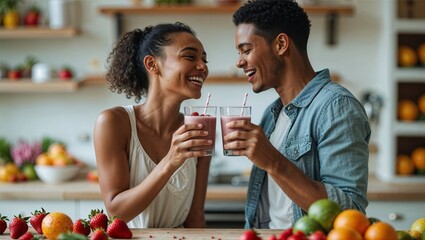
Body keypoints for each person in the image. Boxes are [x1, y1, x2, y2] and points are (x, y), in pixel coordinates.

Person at [225, 0, 371, 229]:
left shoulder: (336, 107)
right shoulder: (271, 114)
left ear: (281, 44)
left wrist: (272, 160)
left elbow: (349, 214)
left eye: (246, 50)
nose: (239, 62)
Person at [93, 22, 212, 228]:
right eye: (190, 57)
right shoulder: (114, 123)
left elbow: (195, 218)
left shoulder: (199, 130)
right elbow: (116, 212)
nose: (203, 67)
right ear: (152, 64)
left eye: (204, 59)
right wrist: (170, 162)